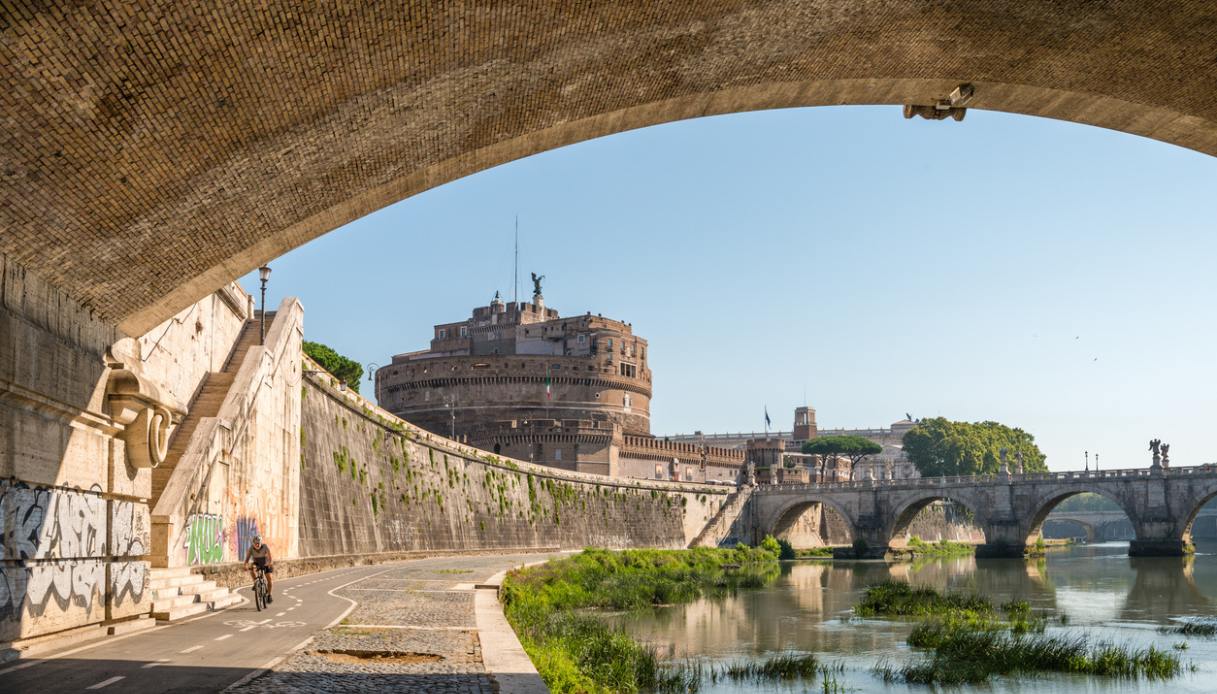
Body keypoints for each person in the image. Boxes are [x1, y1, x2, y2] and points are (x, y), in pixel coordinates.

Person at [244, 535, 273, 603]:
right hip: (257, 563)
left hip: (265, 563)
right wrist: (245, 565)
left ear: (261, 543)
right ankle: (256, 582)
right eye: (255, 543)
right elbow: (247, 560)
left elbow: (270, 557)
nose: (257, 545)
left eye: (258, 543)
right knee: (251, 568)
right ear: (253, 543)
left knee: (269, 579)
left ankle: (269, 595)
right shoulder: (251, 548)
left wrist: (269, 563)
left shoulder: (265, 547)